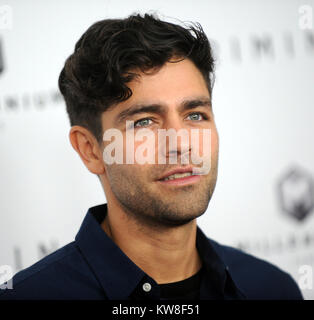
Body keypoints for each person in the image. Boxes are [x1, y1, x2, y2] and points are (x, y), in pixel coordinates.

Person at [0, 13, 303, 300]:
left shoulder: (271, 288)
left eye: (195, 115)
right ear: (90, 150)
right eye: (144, 122)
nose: (181, 143)